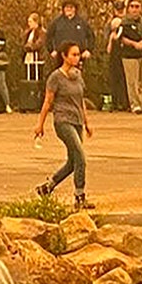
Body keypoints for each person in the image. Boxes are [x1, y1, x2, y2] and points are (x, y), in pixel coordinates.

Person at [34, 43, 94, 210]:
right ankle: (79, 195)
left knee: (73, 161)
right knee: (80, 156)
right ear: (64, 56)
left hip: (77, 121)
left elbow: (81, 100)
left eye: (78, 54)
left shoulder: (78, 76)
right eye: (74, 54)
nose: (77, 57)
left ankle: (48, 187)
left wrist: (87, 122)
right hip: (63, 120)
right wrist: (40, 124)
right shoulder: (55, 78)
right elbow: (48, 102)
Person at [105, 1, 129, 111]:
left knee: (125, 79)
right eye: (118, 10)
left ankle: (125, 103)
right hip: (115, 54)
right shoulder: (110, 23)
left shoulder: (127, 22)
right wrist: (111, 38)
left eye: (121, 9)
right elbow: (108, 39)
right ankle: (114, 103)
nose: (120, 12)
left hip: (125, 52)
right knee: (114, 78)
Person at [22, 12, 48, 109]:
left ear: (36, 22)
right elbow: (24, 43)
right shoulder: (28, 32)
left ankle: (39, 101)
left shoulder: (42, 32)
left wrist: (31, 47)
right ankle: (29, 102)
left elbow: (39, 44)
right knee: (29, 78)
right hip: (29, 58)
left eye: (30, 21)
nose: (29, 23)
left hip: (38, 59)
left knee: (38, 79)